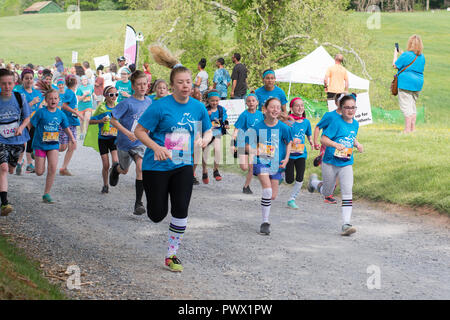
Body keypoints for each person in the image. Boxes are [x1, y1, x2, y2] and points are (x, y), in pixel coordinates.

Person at [134, 64, 212, 272]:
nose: (185, 86)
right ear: (172, 85)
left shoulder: (198, 107)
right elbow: (139, 131)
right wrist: (156, 147)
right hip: (156, 166)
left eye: (188, 81)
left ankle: (171, 254)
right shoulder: (160, 106)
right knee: (157, 214)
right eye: (180, 82)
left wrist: (204, 139)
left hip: (183, 165)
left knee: (181, 208)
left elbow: (209, 130)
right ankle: (154, 206)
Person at [308, 93, 363, 236]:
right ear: (341, 107)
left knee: (347, 190)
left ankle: (346, 224)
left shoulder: (355, 124)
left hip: (346, 162)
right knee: (327, 192)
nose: (350, 110)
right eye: (347, 107)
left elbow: (351, 136)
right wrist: (335, 144)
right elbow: (323, 139)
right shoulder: (335, 122)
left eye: (353, 107)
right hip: (330, 162)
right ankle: (314, 183)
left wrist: (357, 144)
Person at [109, 70, 151, 215]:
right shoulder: (126, 103)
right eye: (139, 84)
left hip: (140, 142)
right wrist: (127, 132)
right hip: (124, 142)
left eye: (144, 84)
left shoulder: (149, 102)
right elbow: (113, 120)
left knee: (140, 167)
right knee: (124, 170)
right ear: (133, 86)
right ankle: (116, 169)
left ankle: (138, 203)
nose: (142, 87)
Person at [249, 97, 292, 235]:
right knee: (267, 191)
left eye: (278, 107)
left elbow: (288, 143)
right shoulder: (257, 127)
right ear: (265, 109)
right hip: (261, 162)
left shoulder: (284, 127)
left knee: (272, 195)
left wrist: (286, 159)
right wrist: (253, 150)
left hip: (277, 164)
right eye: (272, 107)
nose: (275, 110)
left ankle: (265, 206)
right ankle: (265, 222)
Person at [32, 85, 75, 203]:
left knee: (52, 168)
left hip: (53, 144)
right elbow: (31, 125)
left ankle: (46, 194)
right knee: (39, 172)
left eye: (55, 98)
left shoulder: (61, 114)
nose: (53, 101)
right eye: (50, 98)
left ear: (58, 100)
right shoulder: (41, 112)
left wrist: (72, 138)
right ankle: (35, 156)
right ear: (46, 100)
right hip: (40, 145)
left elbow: (66, 127)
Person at [0, 69, 31, 216]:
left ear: (14, 83)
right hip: (1, 140)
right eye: (3, 84)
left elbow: (27, 117)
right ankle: (5, 203)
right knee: (4, 168)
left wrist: (21, 128)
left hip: (17, 140)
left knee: (11, 169)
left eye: (9, 83)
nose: (7, 86)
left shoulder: (20, 97)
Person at [231, 93, 264, 194]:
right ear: (246, 103)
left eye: (253, 101)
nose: (251, 103)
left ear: (257, 102)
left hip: (254, 143)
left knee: (251, 166)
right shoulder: (244, 115)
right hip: (243, 142)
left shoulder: (260, 115)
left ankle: (246, 186)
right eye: (249, 101)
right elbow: (236, 130)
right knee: (244, 167)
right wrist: (232, 144)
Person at [89, 86, 119, 194]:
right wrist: (101, 120)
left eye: (116, 94)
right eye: (111, 95)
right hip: (103, 139)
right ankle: (105, 185)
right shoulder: (101, 108)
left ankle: (114, 174)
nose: (114, 97)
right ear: (105, 96)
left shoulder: (118, 107)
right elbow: (90, 121)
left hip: (114, 138)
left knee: (116, 162)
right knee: (106, 165)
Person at [393, 34, 425, 134]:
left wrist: (395, 53)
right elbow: (411, 60)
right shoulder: (422, 57)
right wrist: (401, 53)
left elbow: (395, 65)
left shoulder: (406, 55)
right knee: (412, 106)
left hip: (405, 83)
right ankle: (412, 129)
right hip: (418, 84)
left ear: (410, 43)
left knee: (406, 106)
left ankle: (407, 130)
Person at [285, 98, 313, 210]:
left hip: (301, 154)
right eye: (297, 106)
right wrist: (292, 140)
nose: (300, 108)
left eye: (302, 105)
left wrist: (311, 142)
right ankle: (282, 174)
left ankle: (292, 199)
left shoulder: (306, 122)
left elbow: (308, 133)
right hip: (289, 154)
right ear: (291, 108)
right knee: (289, 180)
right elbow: (284, 135)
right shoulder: (289, 121)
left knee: (300, 177)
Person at [15, 68, 43, 175]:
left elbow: (40, 107)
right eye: (26, 78)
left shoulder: (37, 92)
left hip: (35, 121)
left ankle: (29, 164)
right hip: (23, 121)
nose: (29, 80)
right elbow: (19, 108)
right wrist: (32, 102)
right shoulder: (19, 92)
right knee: (23, 142)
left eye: (31, 78)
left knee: (31, 142)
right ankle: (19, 162)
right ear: (22, 79)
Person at [197, 90, 228, 184]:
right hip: (206, 134)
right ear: (208, 101)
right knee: (205, 153)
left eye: (216, 101)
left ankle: (215, 170)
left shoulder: (221, 109)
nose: (214, 103)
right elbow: (200, 121)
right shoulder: (205, 110)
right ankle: (204, 171)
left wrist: (226, 124)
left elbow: (225, 119)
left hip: (217, 132)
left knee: (218, 150)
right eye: (212, 101)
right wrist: (207, 115)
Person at [59, 75, 83, 176]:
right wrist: (77, 113)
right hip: (66, 122)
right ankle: (42, 149)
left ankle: (63, 168)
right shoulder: (69, 92)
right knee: (63, 147)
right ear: (76, 83)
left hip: (72, 122)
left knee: (72, 146)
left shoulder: (71, 92)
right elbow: (64, 105)